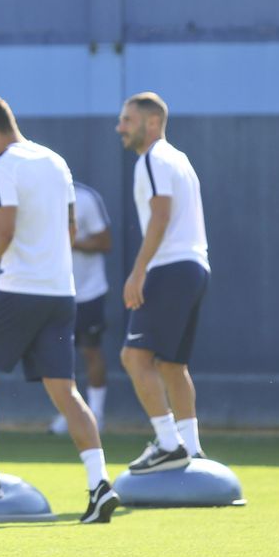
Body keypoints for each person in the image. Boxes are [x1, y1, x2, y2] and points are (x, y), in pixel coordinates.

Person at [0, 95, 119, 524]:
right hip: (63, 294)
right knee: (66, 391)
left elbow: (3, 230)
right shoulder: (56, 161)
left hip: (21, 289)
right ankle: (100, 486)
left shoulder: (2, 165)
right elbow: (71, 227)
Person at [115, 92, 211, 474]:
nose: (119, 127)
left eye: (127, 120)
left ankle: (169, 444)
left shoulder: (153, 158)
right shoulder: (180, 159)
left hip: (170, 267)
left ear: (151, 123)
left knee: (133, 357)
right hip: (195, 268)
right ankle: (192, 447)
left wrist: (139, 271)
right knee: (173, 364)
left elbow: (160, 215)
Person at [48, 180, 112, 435]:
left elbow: (104, 242)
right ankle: (70, 413)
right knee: (60, 357)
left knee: (91, 351)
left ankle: (96, 414)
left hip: (89, 291)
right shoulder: (36, 199)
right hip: (54, 291)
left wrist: (68, 240)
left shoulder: (85, 198)